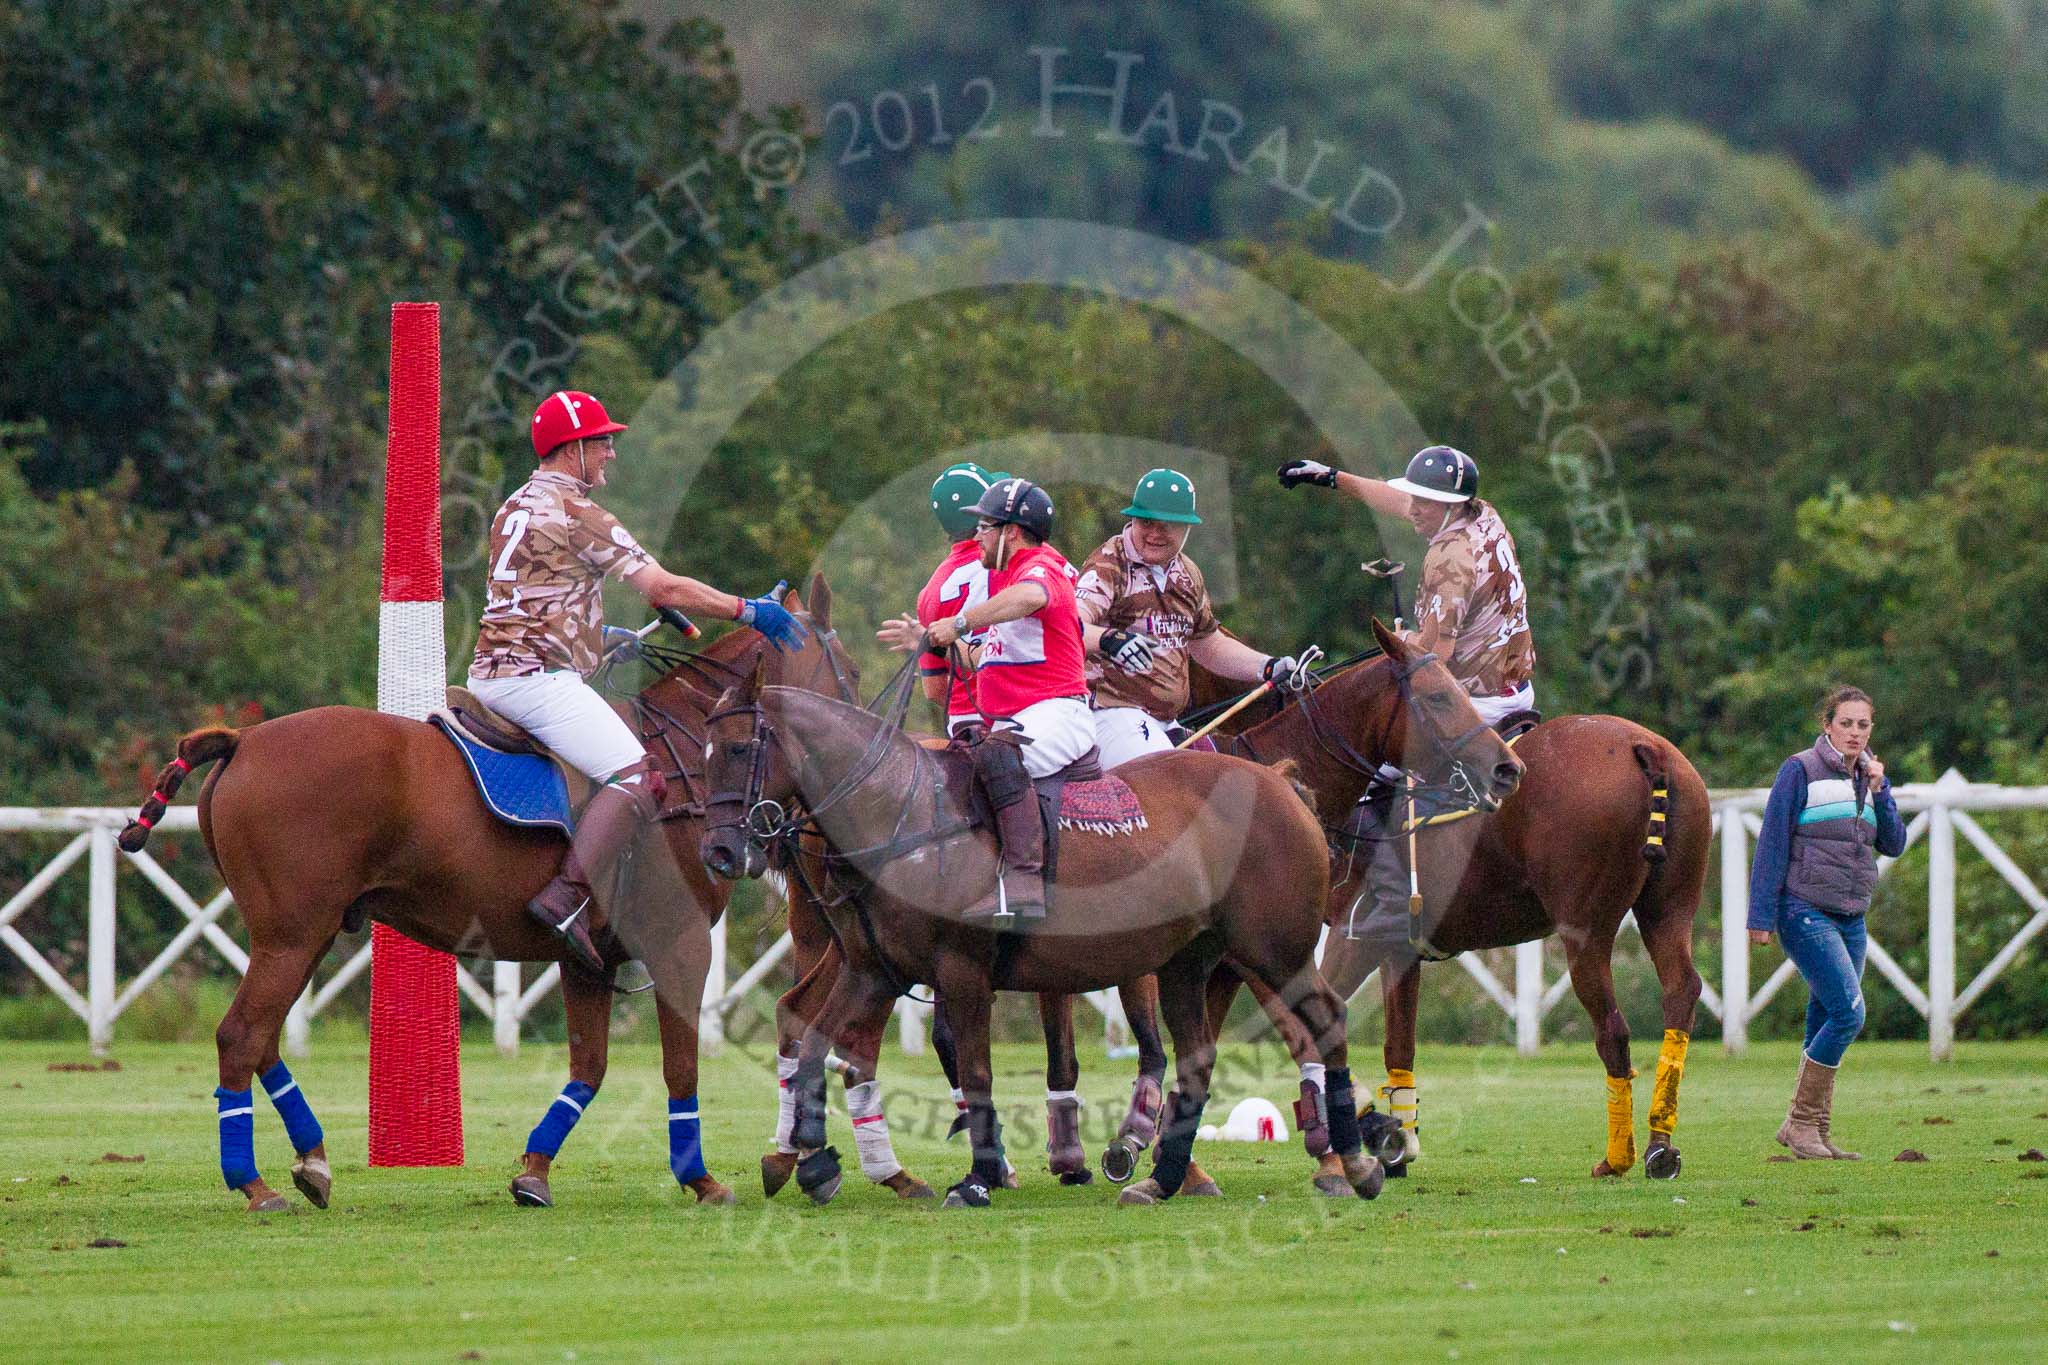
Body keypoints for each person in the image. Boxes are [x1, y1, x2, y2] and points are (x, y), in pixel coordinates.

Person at [468, 390, 807, 973]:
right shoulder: (578, 513)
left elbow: (536, 599)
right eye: (601, 441)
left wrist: (602, 637)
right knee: (638, 774)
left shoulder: (514, 507)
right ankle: (568, 899)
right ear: (571, 448)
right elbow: (664, 588)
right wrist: (748, 610)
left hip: (492, 672)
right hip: (535, 681)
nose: (610, 453)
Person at [1276, 443, 1536, 1165]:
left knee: (1377, 786)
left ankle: (1380, 911)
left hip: (1470, 697)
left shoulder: (1448, 560)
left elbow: (1433, 657)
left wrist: (1374, 663)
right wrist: (1334, 480)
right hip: (1513, 688)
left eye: (1422, 502)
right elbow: (1404, 499)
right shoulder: (1479, 516)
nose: (1410, 509)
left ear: (1444, 509)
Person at [878, 477, 1093, 918]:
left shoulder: (1039, 567)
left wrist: (957, 622)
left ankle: (1023, 884)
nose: (976, 535)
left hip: (1060, 713)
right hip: (1019, 718)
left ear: (1012, 532)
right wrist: (930, 639)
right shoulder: (1002, 579)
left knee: (997, 757)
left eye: (986, 527)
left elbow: (1033, 597)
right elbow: (979, 659)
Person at [1746, 686, 1907, 1159]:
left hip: (1851, 915)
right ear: (1828, 725)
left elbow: (1893, 843)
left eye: (1864, 725)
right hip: (1803, 909)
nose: (1855, 733)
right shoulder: (1800, 770)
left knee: (1823, 1016)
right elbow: (1772, 843)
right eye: (1847, 723)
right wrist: (1760, 916)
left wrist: (1883, 789)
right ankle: (1800, 1124)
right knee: (1849, 1013)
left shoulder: (1870, 779)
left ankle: (1814, 1132)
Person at [1076, 467, 1308, 769]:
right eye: (1147, 522)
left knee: (1223, 786)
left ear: (1186, 528)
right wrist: (1110, 639)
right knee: (1173, 778)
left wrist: (1267, 666)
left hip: (1165, 722)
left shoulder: (1187, 573)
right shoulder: (1109, 566)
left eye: (1168, 525)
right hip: (1109, 713)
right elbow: (1070, 625)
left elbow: (1206, 643)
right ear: (1132, 519)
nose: (1156, 533)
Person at [914, 462, 1002, 737]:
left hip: (967, 725)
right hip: (1028, 713)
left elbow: (934, 690)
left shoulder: (931, 593)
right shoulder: (1015, 561)